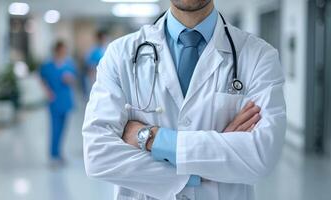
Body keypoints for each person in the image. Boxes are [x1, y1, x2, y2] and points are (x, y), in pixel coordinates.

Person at [82, 0, 286, 199]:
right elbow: (98, 155)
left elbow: (261, 155)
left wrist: (152, 137)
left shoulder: (260, 56)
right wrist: (201, 170)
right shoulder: (120, 54)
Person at [40, 41, 76, 167]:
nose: (63, 52)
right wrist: (47, 91)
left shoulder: (69, 64)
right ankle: (53, 155)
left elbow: (73, 80)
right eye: (61, 50)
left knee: (63, 129)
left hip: (66, 100)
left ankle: (59, 152)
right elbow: (42, 79)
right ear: (56, 50)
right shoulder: (48, 66)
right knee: (55, 128)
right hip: (54, 101)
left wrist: (70, 80)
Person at [82, 30, 107, 99]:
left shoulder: (108, 49)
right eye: (102, 38)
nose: (103, 40)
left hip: (105, 77)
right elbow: (89, 66)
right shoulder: (92, 51)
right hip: (94, 76)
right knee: (93, 96)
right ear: (98, 39)